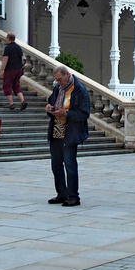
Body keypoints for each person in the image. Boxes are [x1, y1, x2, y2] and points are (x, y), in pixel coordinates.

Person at [45, 66, 90, 207]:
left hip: (70, 133)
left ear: (67, 75)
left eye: (60, 79)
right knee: (56, 165)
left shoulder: (79, 90)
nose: (59, 82)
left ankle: (73, 196)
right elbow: (52, 103)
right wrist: (49, 109)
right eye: (57, 80)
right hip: (56, 131)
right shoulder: (57, 89)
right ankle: (61, 194)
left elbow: (84, 113)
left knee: (70, 165)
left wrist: (65, 114)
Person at [0, 33, 27, 111]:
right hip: (18, 69)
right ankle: (23, 101)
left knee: (7, 85)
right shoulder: (18, 47)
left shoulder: (8, 48)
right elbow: (23, 59)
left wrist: (2, 71)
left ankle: (11, 103)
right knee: (16, 85)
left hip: (10, 69)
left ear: (8, 38)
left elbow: (5, 60)